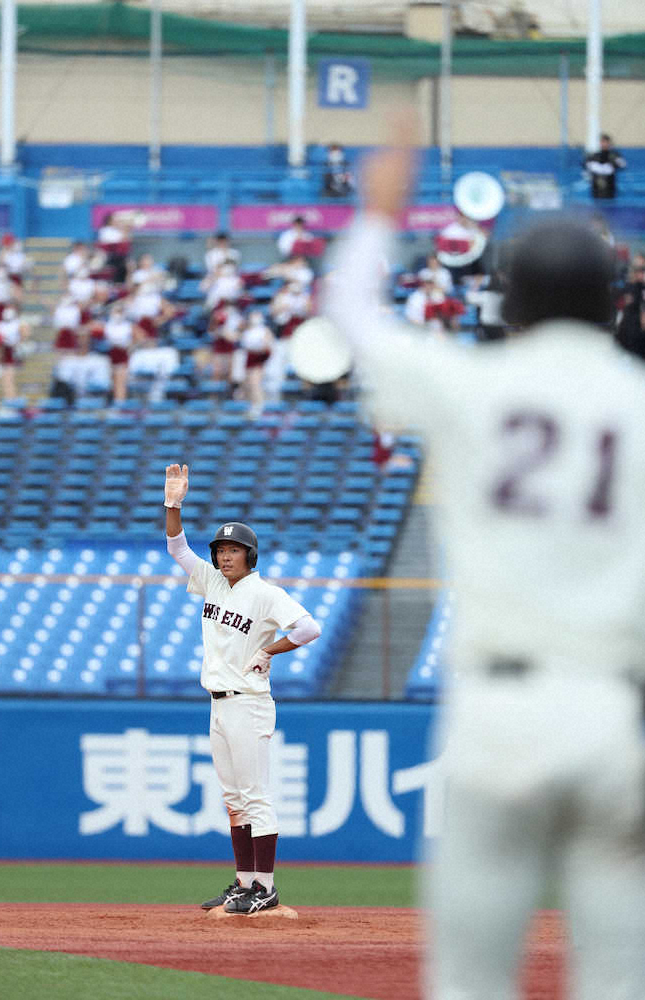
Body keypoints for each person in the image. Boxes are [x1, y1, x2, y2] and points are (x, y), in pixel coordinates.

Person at [324, 134, 645, 1000]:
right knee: (620, 981)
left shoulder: (473, 386)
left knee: (470, 983)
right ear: (612, 303)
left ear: (511, 305)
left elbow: (352, 315)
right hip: (612, 712)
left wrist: (379, 212)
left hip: (497, 717)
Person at [164, 468, 321, 913]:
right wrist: (173, 505)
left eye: (233, 550)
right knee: (234, 799)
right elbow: (177, 548)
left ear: (249, 555)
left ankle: (265, 889)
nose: (224, 556)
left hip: (248, 704)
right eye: (220, 550)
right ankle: (244, 882)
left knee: (254, 797)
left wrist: (270, 649)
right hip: (218, 703)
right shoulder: (212, 582)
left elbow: (309, 628)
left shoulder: (265, 593)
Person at [584, 134, 627, 200]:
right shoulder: (594, 156)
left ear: (609, 143)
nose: (604, 144)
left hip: (609, 187)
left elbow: (623, 165)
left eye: (606, 142)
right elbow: (586, 165)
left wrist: (613, 164)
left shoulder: (614, 155)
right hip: (596, 188)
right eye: (602, 142)